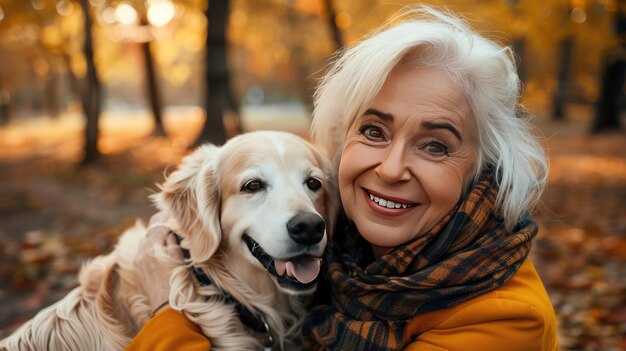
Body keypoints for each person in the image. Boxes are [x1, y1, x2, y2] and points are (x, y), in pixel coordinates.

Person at [126, 5, 558, 351]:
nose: (390, 169)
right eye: (374, 131)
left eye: (435, 146)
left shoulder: (505, 320)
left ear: (486, 168)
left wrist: (165, 311)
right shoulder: (340, 255)